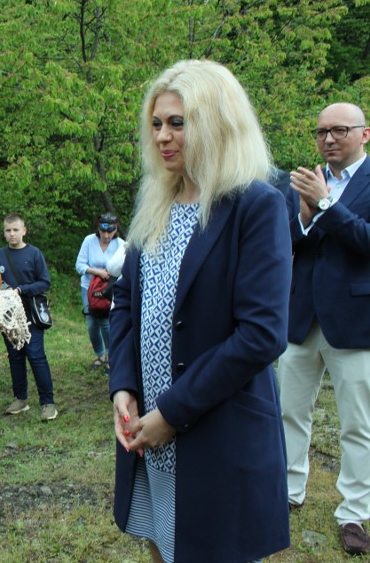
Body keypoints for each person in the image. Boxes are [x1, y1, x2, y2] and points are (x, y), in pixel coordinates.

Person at [109, 60, 292, 563]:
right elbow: (126, 299)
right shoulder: (156, 201)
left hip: (214, 430)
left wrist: (173, 412)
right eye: (156, 123)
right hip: (149, 430)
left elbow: (261, 334)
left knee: (210, 549)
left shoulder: (255, 204)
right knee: (162, 545)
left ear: (215, 122)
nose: (163, 136)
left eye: (178, 122)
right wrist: (124, 384)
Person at [280, 102, 370, 556]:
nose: (328, 138)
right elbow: (286, 244)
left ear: (364, 134)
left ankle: (353, 511)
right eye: (320, 132)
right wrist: (303, 215)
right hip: (301, 316)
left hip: (356, 321)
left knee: (359, 422)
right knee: (289, 410)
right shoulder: (301, 181)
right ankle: (288, 493)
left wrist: (328, 204)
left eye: (338, 130)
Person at [0, 212, 57, 422]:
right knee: (15, 357)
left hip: (30, 313)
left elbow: (44, 282)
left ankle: (48, 404)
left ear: (24, 231)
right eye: (8, 230)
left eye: (15, 230)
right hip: (8, 314)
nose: (12, 234)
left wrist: (22, 290)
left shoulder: (34, 253)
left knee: (36, 356)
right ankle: (20, 399)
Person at [75, 213, 125, 369]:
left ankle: (112, 357)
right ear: (98, 228)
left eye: (110, 231)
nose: (106, 235)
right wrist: (99, 272)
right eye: (103, 231)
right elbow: (79, 265)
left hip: (109, 290)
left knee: (106, 323)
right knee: (92, 324)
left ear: (115, 229)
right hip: (89, 288)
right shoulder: (89, 241)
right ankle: (99, 355)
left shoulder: (121, 244)